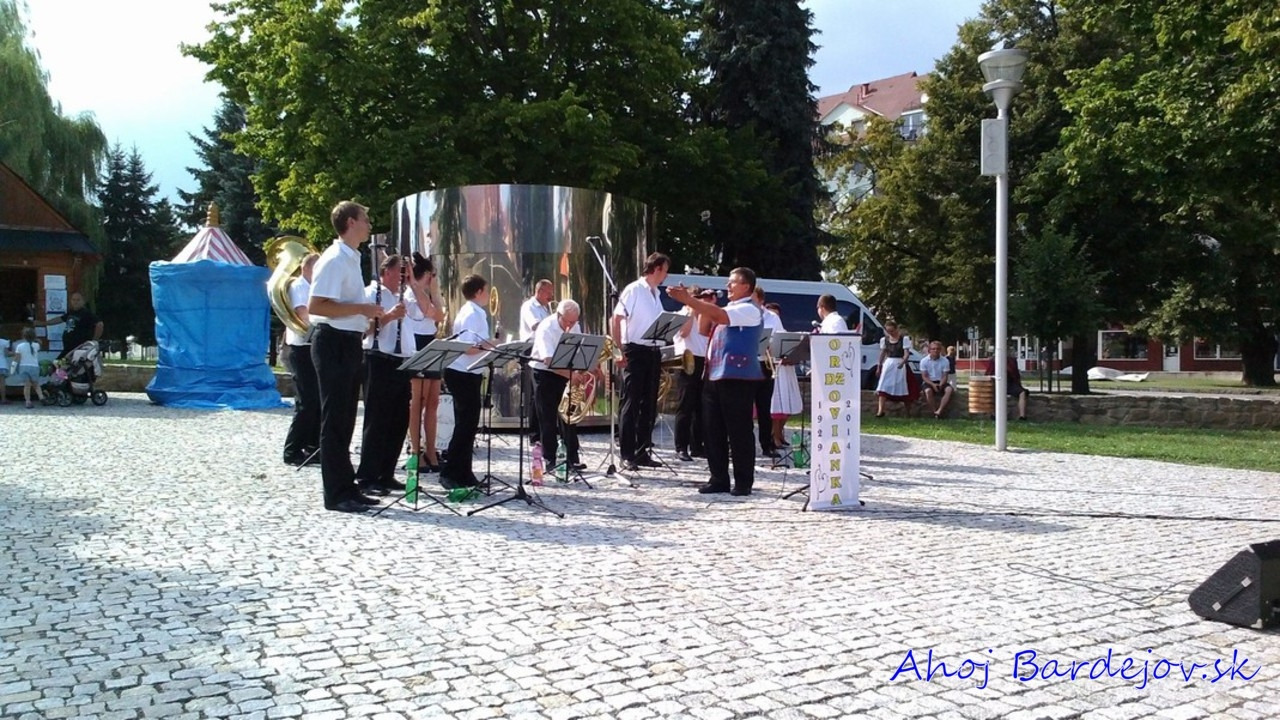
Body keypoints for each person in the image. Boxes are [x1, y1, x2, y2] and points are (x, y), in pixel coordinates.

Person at [308, 200, 386, 514]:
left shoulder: (352, 258)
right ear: (351, 222)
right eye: (365, 219)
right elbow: (317, 305)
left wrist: (364, 317)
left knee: (346, 419)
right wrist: (362, 309)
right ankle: (336, 493)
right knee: (335, 420)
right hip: (332, 342)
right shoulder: (334, 258)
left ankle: (347, 486)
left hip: (349, 342)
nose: (369, 224)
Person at [666, 267, 763, 496]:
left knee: (739, 430)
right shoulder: (728, 308)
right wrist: (697, 305)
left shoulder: (750, 309)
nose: (727, 286)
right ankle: (718, 478)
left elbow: (719, 316)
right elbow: (703, 329)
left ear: (746, 286)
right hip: (714, 375)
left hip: (737, 376)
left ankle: (743, 482)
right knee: (712, 429)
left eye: (733, 282)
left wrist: (691, 300)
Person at [353, 253, 426, 496]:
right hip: (378, 360)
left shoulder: (403, 295)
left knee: (398, 421)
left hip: (401, 362)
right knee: (377, 420)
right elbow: (363, 330)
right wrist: (389, 316)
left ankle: (386, 473)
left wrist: (414, 284)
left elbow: (428, 311)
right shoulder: (370, 293)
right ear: (386, 272)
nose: (404, 277)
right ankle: (367, 476)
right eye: (401, 272)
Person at [610, 252, 670, 471]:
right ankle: (627, 453)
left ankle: (642, 451)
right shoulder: (634, 289)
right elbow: (616, 317)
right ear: (656, 269)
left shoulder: (656, 293)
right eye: (665, 270)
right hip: (635, 349)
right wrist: (618, 349)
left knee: (649, 403)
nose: (666, 275)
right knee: (631, 401)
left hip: (653, 350)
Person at [440, 274, 492, 490]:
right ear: (478, 292)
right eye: (486, 290)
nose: (488, 295)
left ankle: (464, 472)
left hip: (470, 372)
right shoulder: (472, 313)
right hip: (462, 372)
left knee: (469, 425)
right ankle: (450, 472)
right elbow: (468, 348)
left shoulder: (474, 311)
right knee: (464, 425)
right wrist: (492, 344)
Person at [529, 299, 587, 474]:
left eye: (574, 322)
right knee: (547, 418)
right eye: (567, 322)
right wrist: (571, 375)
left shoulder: (574, 325)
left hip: (565, 371)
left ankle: (572, 458)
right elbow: (548, 361)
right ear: (559, 315)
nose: (570, 326)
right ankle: (550, 459)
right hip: (544, 373)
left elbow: (579, 351)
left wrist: (585, 369)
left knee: (568, 416)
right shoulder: (546, 327)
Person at [405, 253, 446, 473]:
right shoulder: (411, 295)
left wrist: (435, 291)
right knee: (417, 402)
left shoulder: (427, 294)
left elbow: (440, 315)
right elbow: (432, 313)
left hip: (430, 342)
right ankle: (415, 450)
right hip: (416, 344)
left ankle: (431, 450)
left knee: (432, 401)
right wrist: (420, 287)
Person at [282, 252, 320, 466]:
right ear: (306, 268)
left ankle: (312, 445)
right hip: (300, 347)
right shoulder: (298, 286)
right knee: (306, 401)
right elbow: (302, 313)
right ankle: (292, 450)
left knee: (317, 399)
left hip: (312, 346)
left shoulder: (313, 287)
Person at [672, 287, 712, 462]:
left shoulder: (704, 316)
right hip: (686, 360)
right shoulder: (681, 314)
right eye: (696, 298)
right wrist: (691, 310)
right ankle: (681, 446)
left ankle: (697, 446)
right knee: (685, 406)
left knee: (701, 407)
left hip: (702, 360)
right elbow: (684, 333)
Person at [519, 279, 554, 443]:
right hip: (531, 348)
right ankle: (534, 434)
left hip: (544, 348)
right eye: (548, 293)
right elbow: (536, 326)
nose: (551, 296)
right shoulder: (529, 306)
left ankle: (544, 431)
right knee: (535, 393)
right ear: (539, 291)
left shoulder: (547, 308)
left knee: (543, 392)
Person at [766, 302, 802, 448]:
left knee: (788, 405)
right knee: (777, 407)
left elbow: (795, 351)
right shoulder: (764, 332)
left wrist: (794, 357)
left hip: (787, 371)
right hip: (775, 371)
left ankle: (779, 433)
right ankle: (774, 436)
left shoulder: (785, 334)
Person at [753, 287, 782, 458]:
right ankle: (741, 445)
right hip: (747, 363)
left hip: (765, 363)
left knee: (764, 407)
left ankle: (766, 445)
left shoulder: (772, 318)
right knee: (743, 406)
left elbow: (780, 337)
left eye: (752, 298)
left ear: (761, 300)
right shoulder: (743, 314)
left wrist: (773, 346)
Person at [34, 291, 103, 359]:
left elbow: (99, 324)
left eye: (78, 300)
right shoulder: (71, 312)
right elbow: (60, 319)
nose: (75, 302)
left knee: (59, 363)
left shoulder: (86, 313)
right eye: (73, 300)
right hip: (68, 347)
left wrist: (94, 340)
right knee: (60, 363)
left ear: (83, 301)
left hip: (78, 347)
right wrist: (43, 323)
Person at [874, 321, 918, 417]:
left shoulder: (904, 339)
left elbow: (906, 353)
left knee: (906, 387)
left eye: (892, 331)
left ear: (896, 329)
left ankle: (908, 412)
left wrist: (903, 362)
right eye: (888, 331)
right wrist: (879, 366)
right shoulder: (884, 340)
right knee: (883, 387)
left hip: (900, 363)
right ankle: (880, 411)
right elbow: (882, 353)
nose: (890, 333)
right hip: (889, 364)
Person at [983, 353, 1030, 420]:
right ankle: (993, 414)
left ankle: (1022, 416)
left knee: (1022, 393)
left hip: (1009, 384)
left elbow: (1015, 375)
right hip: (996, 383)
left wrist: (1018, 385)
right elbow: (988, 374)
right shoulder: (994, 361)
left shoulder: (1011, 361)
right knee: (992, 393)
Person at [919, 341, 955, 419]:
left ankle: (939, 411)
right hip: (929, 382)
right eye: (933, 349)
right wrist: (932, 385)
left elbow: (945, 376)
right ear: (929, 350)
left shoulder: (945, 361)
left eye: (938, 349)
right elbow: (924, 377)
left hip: (941, 381)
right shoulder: (924, 361)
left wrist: (941, 384)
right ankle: (934, 411)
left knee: (949, 390)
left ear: (940, 350)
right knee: (928, 391)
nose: (936, 350)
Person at [13, 328, 43, 408]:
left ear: (23, 336)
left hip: (24, 367)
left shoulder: (19, 346)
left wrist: (13, 367)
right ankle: (41, 397)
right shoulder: (36, 345)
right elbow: (40, 344)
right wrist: (37, 339)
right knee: (36, 384)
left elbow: (17, 358)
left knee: (27, 385)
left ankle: (28, 401)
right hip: (34, 367)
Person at [0, 334, 10, 405]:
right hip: (2, 364)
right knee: (2, 383)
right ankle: (3, 399)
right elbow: (7, 354)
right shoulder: (4, 342)